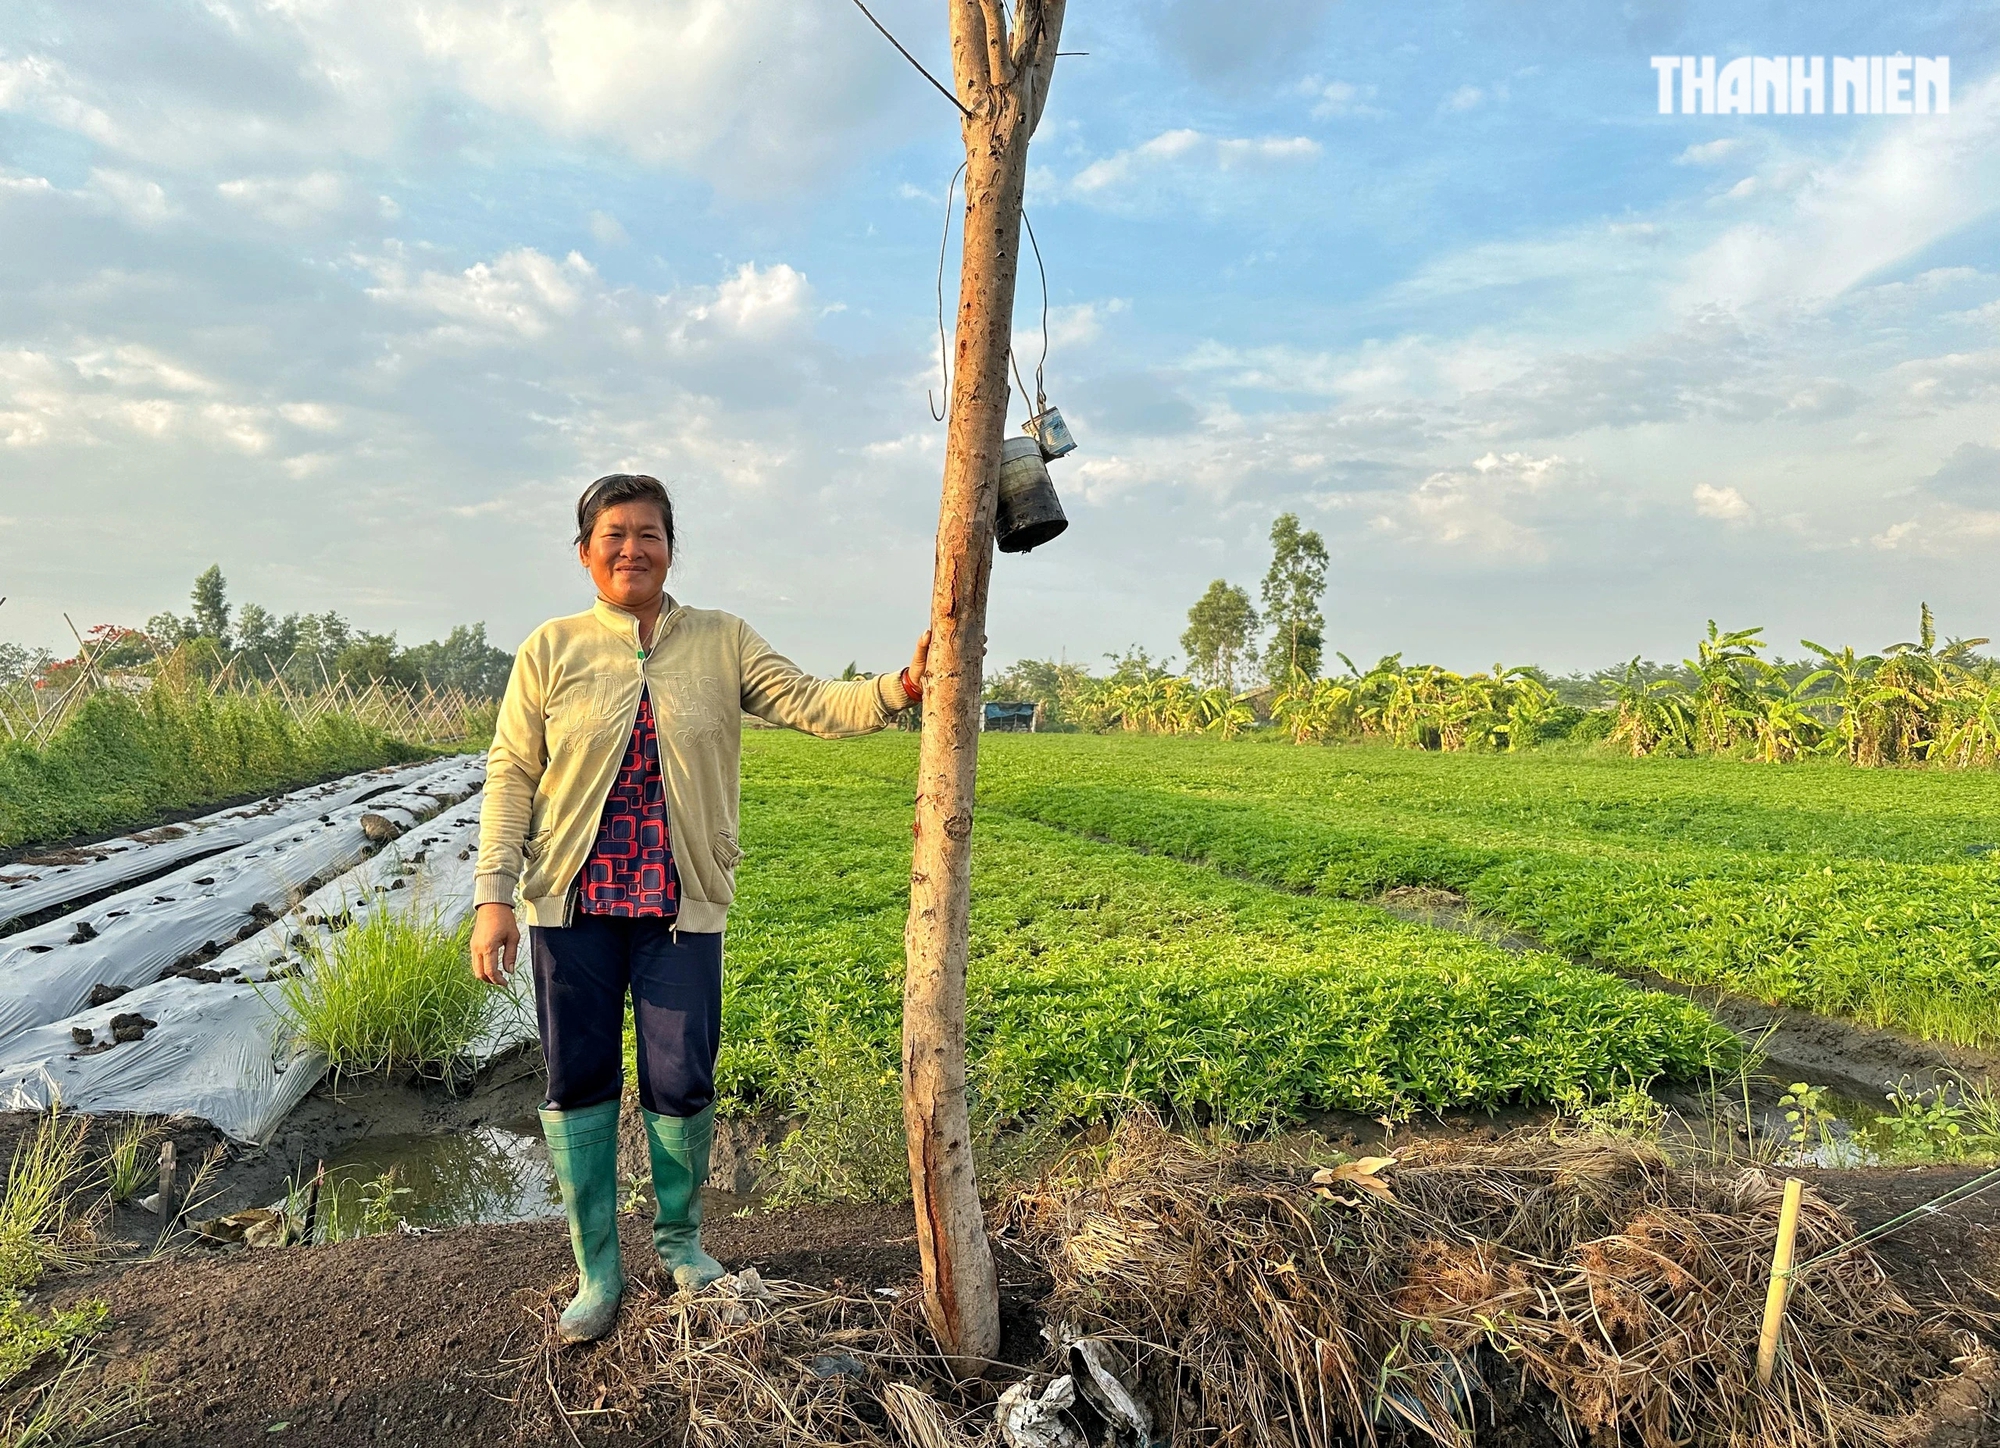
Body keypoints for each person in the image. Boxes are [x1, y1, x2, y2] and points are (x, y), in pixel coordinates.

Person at [469, 473, 927, 1344]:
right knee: (578, 1081)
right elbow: (511, 773)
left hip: (680, 906)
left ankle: (681, 1243)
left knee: (681, 1079)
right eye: (613, 535)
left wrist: (900, 686)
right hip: (573, 907)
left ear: (672, 548)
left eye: (648, 533)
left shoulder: (721, 640)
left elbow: (811, 702)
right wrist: (494, 895)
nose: (631, 548)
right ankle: (597, 1269)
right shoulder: (553, 648)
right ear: (584, 554)